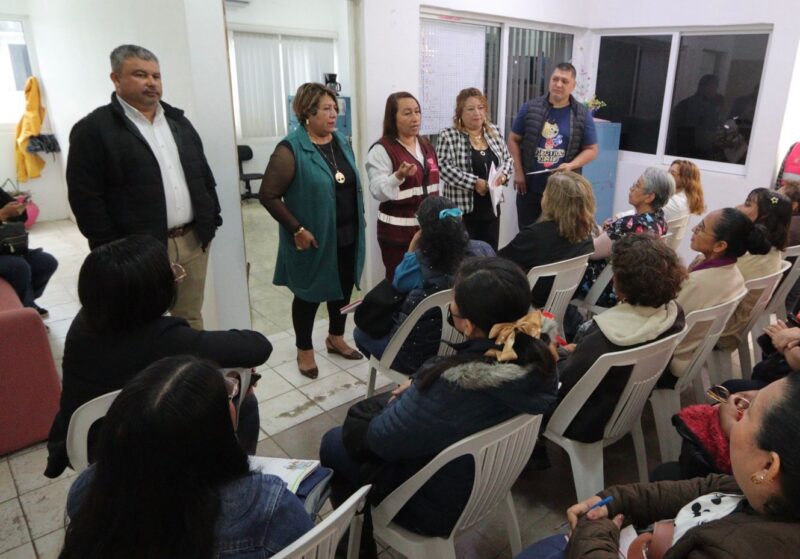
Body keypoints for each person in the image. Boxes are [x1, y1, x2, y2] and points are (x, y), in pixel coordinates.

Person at [321, 257, 558, 543]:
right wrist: (421, 379)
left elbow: (381, 439)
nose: (450, 310)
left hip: (439, 504)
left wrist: (417, 386)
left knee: (334, 442)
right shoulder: (539, 358)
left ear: (468, 325)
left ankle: (355, 544)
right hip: (493, 480)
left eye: (453, 308)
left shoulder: (450, 389)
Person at [45, 235, 272, 478]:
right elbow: (258, 346)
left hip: (82, 442)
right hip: (134, 451)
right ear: (153, 292)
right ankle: (236, 480)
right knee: (245, 402)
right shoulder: (164, 338)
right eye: (170, 274)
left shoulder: (84, 323)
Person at [517, 374, 800, 559]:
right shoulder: (768, 494)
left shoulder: (735, 550)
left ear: (769, 466)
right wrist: (615, 500)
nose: (736, 410)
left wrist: (594, 528)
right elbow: (700, 488)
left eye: (747, 414)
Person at [60, 355, 313, 559]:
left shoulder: (87, 491)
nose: (233, 400)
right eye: (227, 395)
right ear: (211, 435)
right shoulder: (267, 508)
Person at [66, 45, 220, 330]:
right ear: (115, 79)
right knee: (142, 322)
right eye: (140, 75)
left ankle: (190, 361)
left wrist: (212, 219)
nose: (151, 82)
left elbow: (203, 174)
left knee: (189, 317)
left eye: (156, 76)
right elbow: (85, 199)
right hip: (137, 249)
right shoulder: (93, 130)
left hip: (192, 240)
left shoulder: (178, 122)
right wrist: (112, 249)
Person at [259, 82, 365, 380]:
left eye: (335, 108)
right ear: (307, 113)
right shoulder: (290, 148)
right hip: (313, 238)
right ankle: (304, 349)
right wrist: (297, 229)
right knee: (308, 294)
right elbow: (268, 195)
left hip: (347, 233)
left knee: (342, 289)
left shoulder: (340, 141)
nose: (333, 114)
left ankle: (335, 337)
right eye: (326, 109)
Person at [557, 234, 686, 444]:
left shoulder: (604, 335)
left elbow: (566, 380)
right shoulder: (674, 315)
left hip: (583, 421)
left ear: (619, 283)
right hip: (622, 408)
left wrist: (558, 354)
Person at [353, 196, 493, 375]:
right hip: (469, 345)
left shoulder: (416, 264)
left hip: (417, 357)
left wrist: (411, 250)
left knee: (360, 334)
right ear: (461, 219)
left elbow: (395, 287)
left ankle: (416, 380)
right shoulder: (484, 250)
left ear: (422, 230)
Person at [660, 208, 771, 386]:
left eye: (701, 228)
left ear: (720, 246)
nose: (693, 229)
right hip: (691, 355)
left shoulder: (698, 282)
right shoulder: (735, 276)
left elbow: (664, 322)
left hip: (668, 362)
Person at [507, 62, 598, 229]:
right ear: (549, 81)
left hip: (564, 193)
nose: (558, 84)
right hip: (529, 189)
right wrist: (518, 172)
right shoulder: (530, 108)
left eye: (564, 81)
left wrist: (571, 165)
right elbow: (513, 139)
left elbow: (592, 150)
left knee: (559, 236)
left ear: (573, 85)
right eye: (555, 79)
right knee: (528, 234)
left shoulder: (582, 114)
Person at [366, 92, 440, 280]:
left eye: (417, 112)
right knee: (400, 283)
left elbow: (433, 187)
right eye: (407, 113)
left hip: (428, 234)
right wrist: (398, 176)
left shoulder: (426, 146)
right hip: (397, 237)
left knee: (427, 284)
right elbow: (377, 191)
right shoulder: (382, 150)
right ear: (393, 118)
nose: (415, 118)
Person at [499, 171, 595, 309]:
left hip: (530, 302)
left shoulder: (534, 236)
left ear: (552, 201)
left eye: (545, 192)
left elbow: (499, 262)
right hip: (562, 300)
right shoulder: (586, 235)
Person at [577, 166, 673, 303]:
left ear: (649, 197)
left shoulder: (630, 224)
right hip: (636, 284)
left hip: (612, 287)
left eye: (637, 186)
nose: (631, 188)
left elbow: (591, 251)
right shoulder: (660, 220)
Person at [436, 87, 513, 250]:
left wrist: (504, 176)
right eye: (470, 109)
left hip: (491, 208)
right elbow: (443, 167)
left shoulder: (494, 131)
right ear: (460, 113)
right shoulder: (448, 135)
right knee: (464, 256)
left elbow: (507, 159)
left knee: (489, 254)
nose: (477, 113)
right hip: (463, 211)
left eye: (480, 107)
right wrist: (474, 182)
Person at [717, 188, 792, 352]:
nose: (737, 207)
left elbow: (714, 288)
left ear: (764, 217)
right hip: (733, 324)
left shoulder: (750, 255)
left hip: (721, 330)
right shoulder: (770, 251)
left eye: (747, 204)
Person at [0, 188, 57, 316]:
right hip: (5, 254)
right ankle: (27, 310)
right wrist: (2, 214)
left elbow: (23, 216)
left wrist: (18, 209)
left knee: (46, 262)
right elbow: (4, 213)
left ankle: (26, 302)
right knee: (18, 266)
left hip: (6, 247)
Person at [666, 74, 725, 161]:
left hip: (697, 153)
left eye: (715, 87)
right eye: (714, 87)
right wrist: (707, 135)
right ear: (704, 87)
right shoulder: (687, 106)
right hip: (689, 155)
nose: (715, 91)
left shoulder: (710, 106)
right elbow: (687, 132)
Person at [665, 159, 706, 223]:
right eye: (668, 172)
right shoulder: (685, 198)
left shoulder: (676, 202)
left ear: (685, 179)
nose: (667, 176)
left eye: (673, 173)